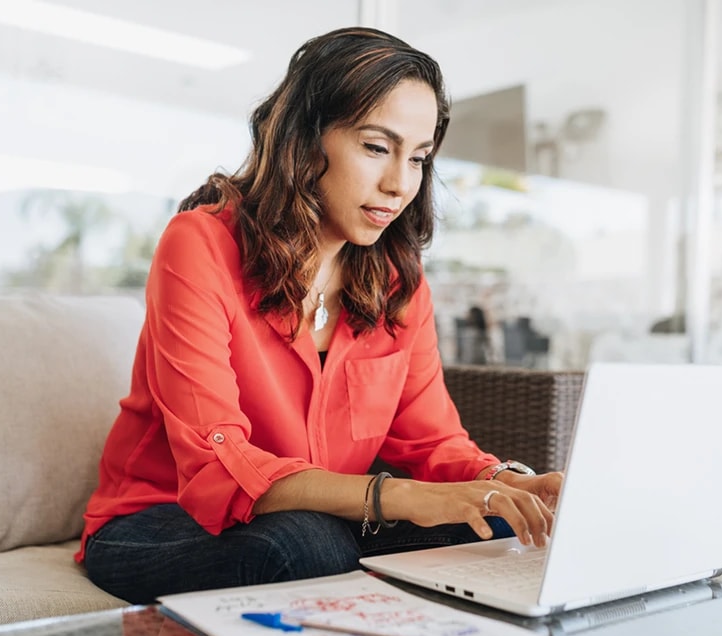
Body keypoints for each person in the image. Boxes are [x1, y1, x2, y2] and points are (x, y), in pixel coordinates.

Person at [78, 26, 564, 604]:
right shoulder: (200, 244)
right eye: (376, 147)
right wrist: (400, 498)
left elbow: (433, 442)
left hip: (330, 518)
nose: (399, 184)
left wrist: (507, 484)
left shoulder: (398, 282)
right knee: (307, 544)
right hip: (161, 522)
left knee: (501, 524)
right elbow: (217, 465)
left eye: (418, 158)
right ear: (305, 139)